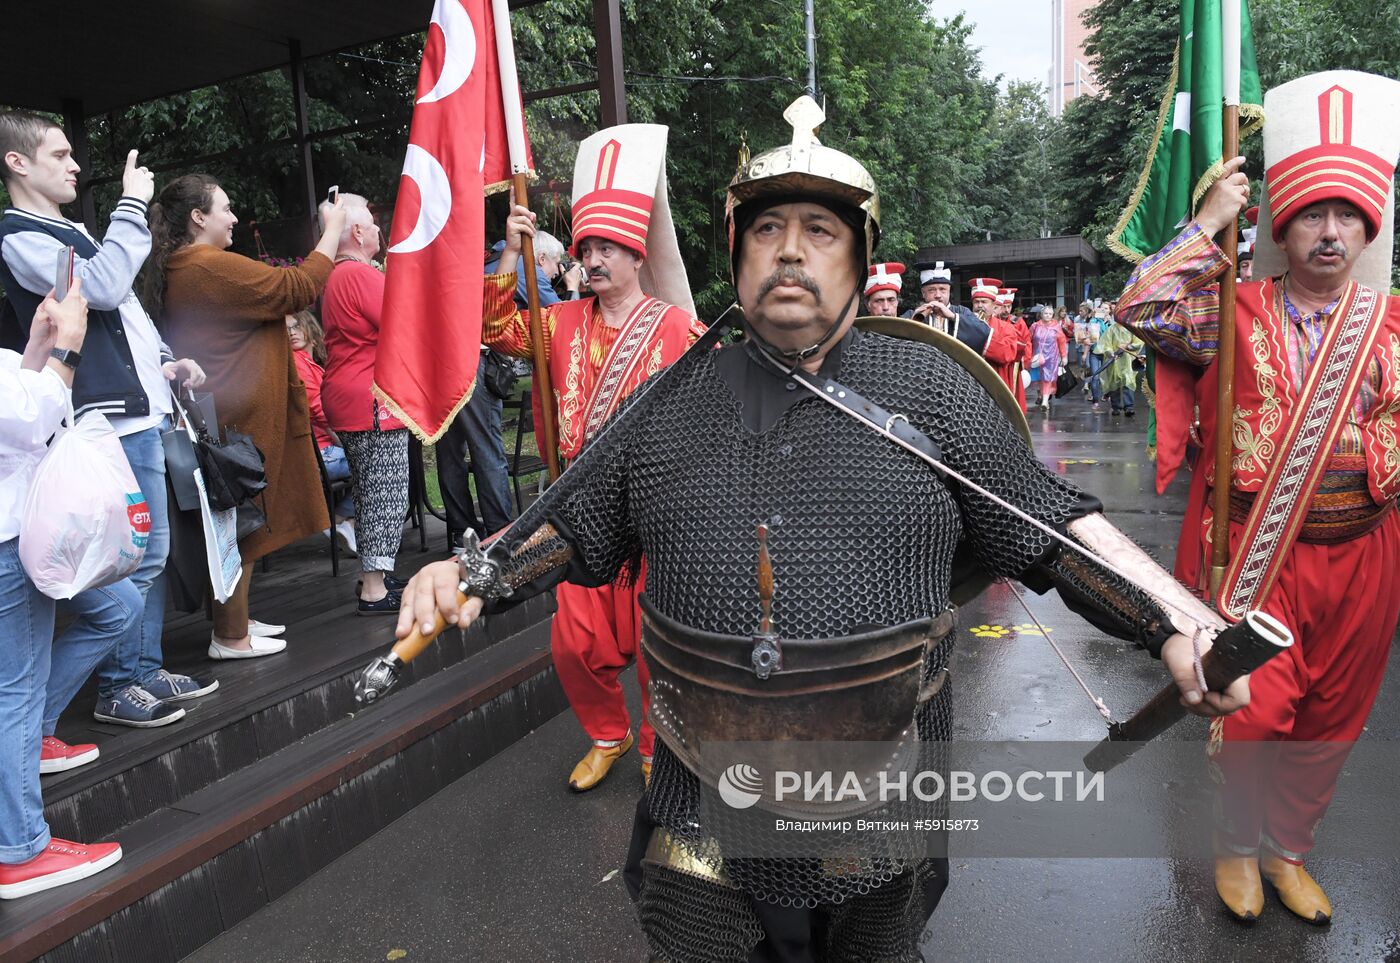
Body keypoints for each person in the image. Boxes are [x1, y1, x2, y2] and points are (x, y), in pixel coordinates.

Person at [391, 96, 1246, 960]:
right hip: (703, 772)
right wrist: (477, 575)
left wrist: (1170, 619)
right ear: (736, 252)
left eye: (819, 231)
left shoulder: (931, 394)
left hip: (878, 771)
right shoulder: (673, 400)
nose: (790, 250)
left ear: (859, 252)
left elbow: (1052, 526)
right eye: (766, 229)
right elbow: (573, 523)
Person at [1118, 70, 1400, 925]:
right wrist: (1208, 222)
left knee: (1331, 716)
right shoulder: (1231, 316)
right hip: (1257, 548)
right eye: (1312, 212)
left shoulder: (1391, 322)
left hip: (1366, 554)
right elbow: (1140, 302)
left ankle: (1287, 852)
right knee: (1257, 708)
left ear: (1368, 228)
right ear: (1283, 224)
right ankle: (1237, 846)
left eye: (1347, 215)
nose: (1329, 231)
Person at [484, 123, 705, 792]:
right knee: (573, 643)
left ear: (637, 255)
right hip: (578, 514)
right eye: (588, 249)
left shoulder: (679, 329)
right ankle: (607, 734)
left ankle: (653, 742)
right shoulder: (557, 324)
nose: (597, 259)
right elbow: (493, 327)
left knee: (659, 647)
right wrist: (509, 255)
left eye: (610, 247)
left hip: (655, 515)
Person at [0, 110, 214, 726]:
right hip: (105, 422)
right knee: (132, 558)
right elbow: (106, 285)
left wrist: (167, 362)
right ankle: (120, 685)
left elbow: (124, 314)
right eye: (60, 155)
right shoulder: (19, 236)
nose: (75, 166)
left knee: (145, 555)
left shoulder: (64, 229)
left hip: (137, 412)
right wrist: (129, 207)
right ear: (17, 163)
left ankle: (140, 672)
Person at [148, 174, 342, 654]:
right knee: (241, 522)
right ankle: (231, 636)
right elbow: (296, 287)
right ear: (198, 218)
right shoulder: (208, 266)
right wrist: (332, 230)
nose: (234, 217)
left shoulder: (185, 266)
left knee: (235, 519)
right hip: (239, 415)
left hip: (223, 407)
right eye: (226, 208)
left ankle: (236, 622)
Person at [0, 281, 128, 898]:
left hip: (18, 533)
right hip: (7, 539)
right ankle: (22, 849)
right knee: (16, 693)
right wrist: (68, 350)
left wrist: (34, 349)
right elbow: (27, 420)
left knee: (15, 689)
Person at [318, 193, 409, 615]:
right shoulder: (358, 274)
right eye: (372, 223)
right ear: (356, 232)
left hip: (348, 394)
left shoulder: (340, 276)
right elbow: (404, 320)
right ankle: (374, 587)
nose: (377, 229)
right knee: (384, 491)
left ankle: (376, 574)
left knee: (372, 488)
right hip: (368, 400)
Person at [287, 310, 356, 554]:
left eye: (296, 326)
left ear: (311, 330)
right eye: (286, 330)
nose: (291, 333)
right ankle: (340, 520)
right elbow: (318, 408)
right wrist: (347, 434)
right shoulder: (297, 364)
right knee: (377, 465)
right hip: (320, 454)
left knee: (375, 461)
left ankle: (348, 522)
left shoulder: (310, 364)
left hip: (324, 449)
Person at [902, 260, 992, 352]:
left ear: (949, 291)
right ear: (923, 293)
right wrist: (912, 322)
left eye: (942, 289)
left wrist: (953, 317)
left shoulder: (962, 312)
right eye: (931, 290)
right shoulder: (911, 314)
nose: (938, 295)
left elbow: (984, 332)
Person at [1093, 309, 1142, 416]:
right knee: (1114, 384)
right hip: (1114, 361)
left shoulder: (1131, 329)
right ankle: (1116, 407)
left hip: (1128, 361)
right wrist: (1111, 353)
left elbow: (1138, 342)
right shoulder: (1111, 329)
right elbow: (1106, 344)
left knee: (1128, 383)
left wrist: (1128, 346)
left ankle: (1129, 407)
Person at [1029, 305, 1068, 410]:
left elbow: (1062, 341)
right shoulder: (1035, 326)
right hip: (1037, 356)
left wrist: (1064, 356)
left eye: (1050, 314)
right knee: (1038, 377)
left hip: (1051, 357)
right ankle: (1041, 395)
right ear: (1041, 315)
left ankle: (1045, 402)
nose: (1048, 315)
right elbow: (1028, 340)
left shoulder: (1056, 327)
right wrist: (1027, 355)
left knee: (1047, 378)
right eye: (1046, 313)